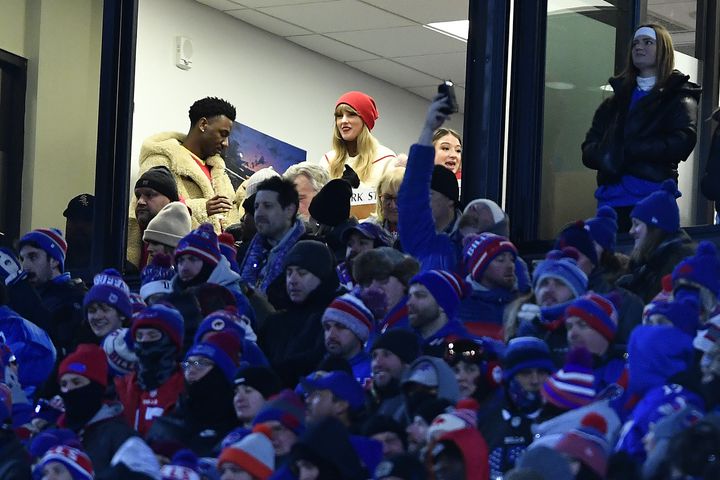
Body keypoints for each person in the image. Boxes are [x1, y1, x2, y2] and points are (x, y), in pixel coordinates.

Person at [581, 24, 700, 231]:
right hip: (610, 201)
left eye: (647, 42)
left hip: (652, 197)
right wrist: (608, 155)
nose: (638, 47)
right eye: (635, 43)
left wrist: (627, 151)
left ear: (663, 49)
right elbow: (589, 147)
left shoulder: (679, 96)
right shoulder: (613, 103)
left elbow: (682, 142)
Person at [136, 96, 241, 233]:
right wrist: (201, 208)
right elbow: (142, 214)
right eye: (222, 134)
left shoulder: (220, 173)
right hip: (175, 252)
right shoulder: (162, 160)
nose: (226, 143)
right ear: (203, 125)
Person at [1, 229, 89, 370]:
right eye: (23, 259)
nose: (25, 266)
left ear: (54, 260)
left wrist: (19, 289)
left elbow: (51, 340)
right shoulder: (32, 293)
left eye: (33, 257)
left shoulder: (77, 297)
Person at [147, 331, 242, 456]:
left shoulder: (239, 429)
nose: (191, 370)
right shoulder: (165, 427)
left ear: (222, 373)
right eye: (188, 364)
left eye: (201, 364)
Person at [258, 240, 339, 388]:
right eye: (289, 273)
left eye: (302, 273)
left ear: (322, 277)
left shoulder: (333, 321)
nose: (292, 280)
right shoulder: (274, 323)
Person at [397, 94, 463, 272]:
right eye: (444, 148)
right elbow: (412, 192)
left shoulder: (472, 240)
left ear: (450, 199)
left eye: (429, 196)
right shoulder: (415, 235)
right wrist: (428, 128)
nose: (421, 202)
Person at [479, 337, 555, 478]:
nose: (535, 380)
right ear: (510, 377)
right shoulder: (488, 415)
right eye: (526, 373)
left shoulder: (559, 416)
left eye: (542, 372)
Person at [616, 179, 695, 303]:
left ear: (655, 228)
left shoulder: (677, 266)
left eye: (636, 224)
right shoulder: (649, 261)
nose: (631, 231)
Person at [114, 304, 185, 436]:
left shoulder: (187, 387)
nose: (144, 341)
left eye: (153, 335)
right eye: (139, 336)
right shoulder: (121, 387)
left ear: (171, 340)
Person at [239, 176, 306, 310]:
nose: (259, 213)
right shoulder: (244, 251)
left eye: (267, 206)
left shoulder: (307, 253)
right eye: (257, 207)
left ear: (289, 210)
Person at [320, 91, 396, 189]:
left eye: (351, 114)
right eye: (339, 116)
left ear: (365, 121)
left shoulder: (386, 160)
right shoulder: (328, 160)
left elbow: (391, 201)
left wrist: (359, 187)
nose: (343, 121)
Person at [459, 233, 520, 339]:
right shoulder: (460, 305)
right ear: (480, 268)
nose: (510, 266)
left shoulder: (521, 302)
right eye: (500, 260)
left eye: (512, 260)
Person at [353, 247, 419, 335]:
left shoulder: (417, 324)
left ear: (404, 280)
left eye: (382, 277)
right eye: (367, 281)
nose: (373, 287)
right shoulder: (362, 323)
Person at [406, 270, 470, 356]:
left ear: (443, 305)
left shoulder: (460, 348)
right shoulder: (404, 342)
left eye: (420, 295)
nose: (409, 303)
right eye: (410, 296)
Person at [127, 166, 180, 268]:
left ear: (171, 201)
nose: (140, 202)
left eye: (149, 195)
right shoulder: (122, 238)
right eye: (138, 196)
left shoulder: (191, 244)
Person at [321, 293, 375, 386]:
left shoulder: (374, 371)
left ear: (359, 332)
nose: (331, 334)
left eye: (340, 327)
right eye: (327, 327)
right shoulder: (318, 370)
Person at [82, 269, 132, 341]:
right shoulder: (79, 346)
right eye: (92, 310)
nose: (97, 316)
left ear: (122, 314)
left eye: (105, 309)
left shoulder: (138, 347)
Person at [62, 193, 94, 279]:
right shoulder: (53, 264)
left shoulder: (117, 267)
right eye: (74, 219)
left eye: (87, 219)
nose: (79, 225)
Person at [369, 167, 405, 240]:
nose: (393, 205)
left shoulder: (426, 232)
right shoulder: (368, 230)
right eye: (387, 197)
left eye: (399, 198)